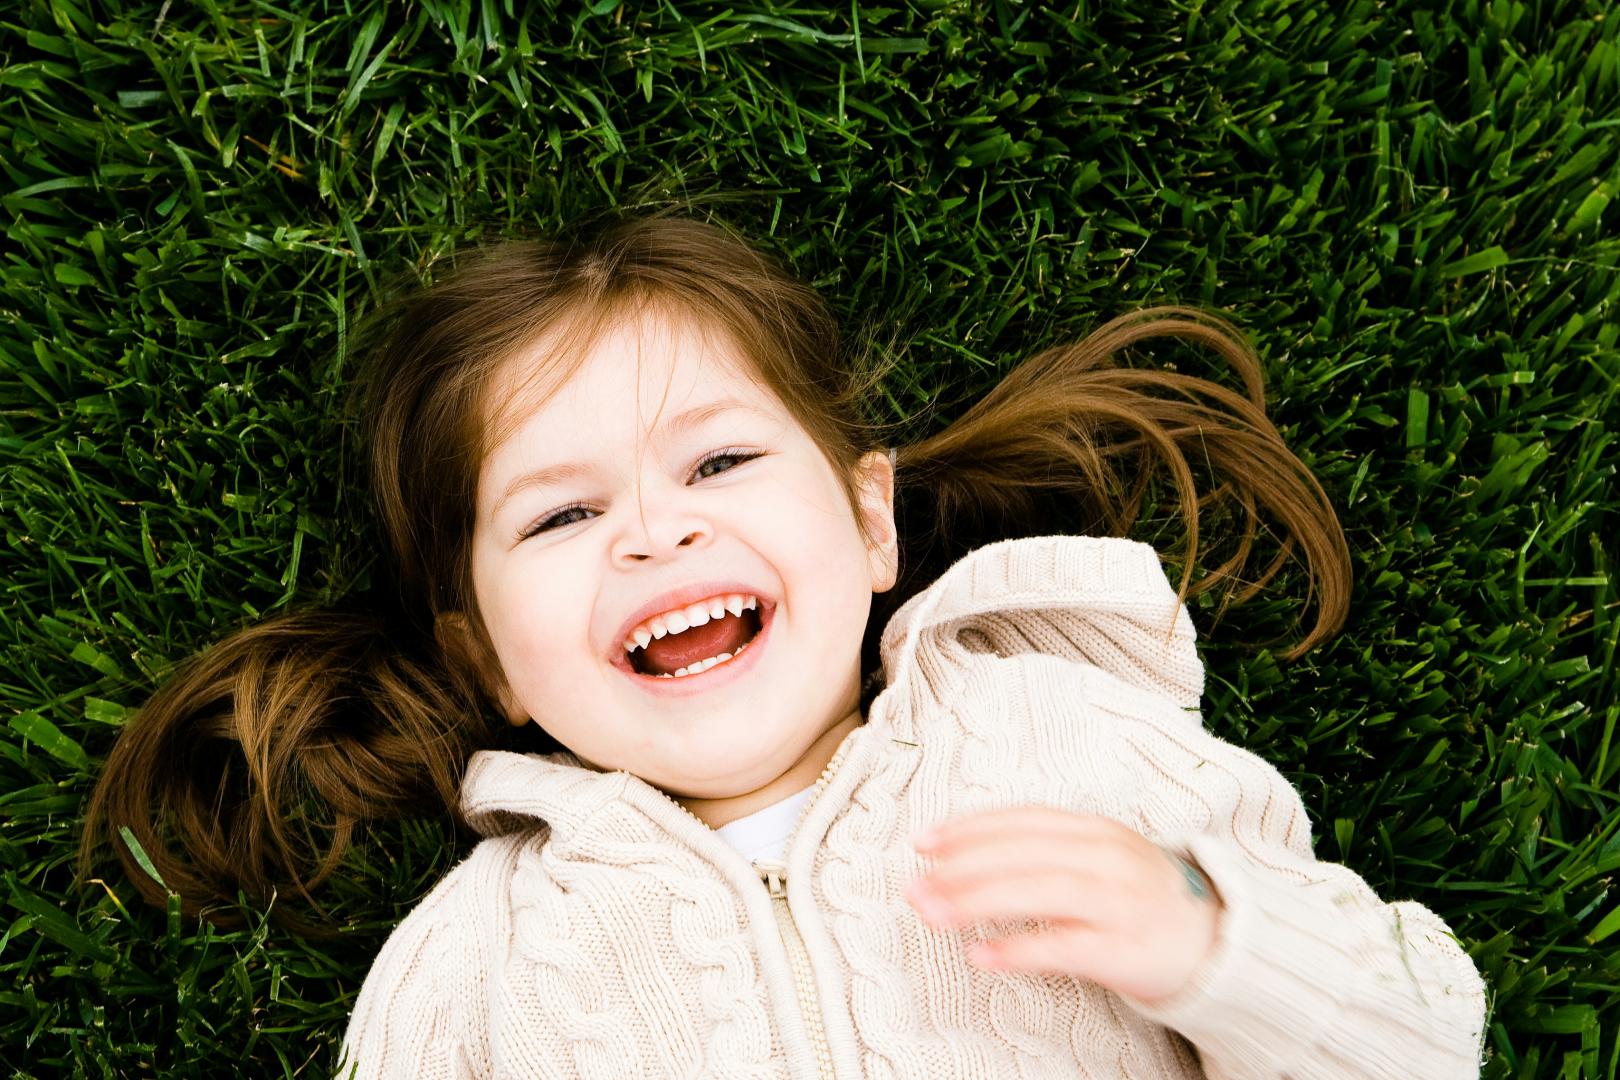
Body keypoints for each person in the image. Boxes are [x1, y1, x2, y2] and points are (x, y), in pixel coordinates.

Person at [80, 213, 1487, 1078]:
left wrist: (1208, 939)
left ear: (873, 523)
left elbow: (1421, 1041)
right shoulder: (477, 965)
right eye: (562, 512)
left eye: (719, 463)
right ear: (487, 661)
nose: (653, 536)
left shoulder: (1065, 743)